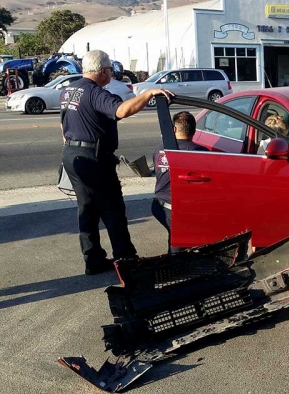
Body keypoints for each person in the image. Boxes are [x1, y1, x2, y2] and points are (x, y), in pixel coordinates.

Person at [60, 49, 173, 275]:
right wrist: (149, 93)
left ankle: (93, 260)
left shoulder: (69, 90)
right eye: (110, 69)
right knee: (112, 208)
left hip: (72, 154)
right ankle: (126, 258)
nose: (112, 73)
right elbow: (121, 110)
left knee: (87, 210)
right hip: (94, 159)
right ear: (102, 71)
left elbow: (63, 124)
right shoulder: (95, 92)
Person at [152, 111, 208, 253]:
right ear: (194, 131)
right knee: (178, 244)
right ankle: (174, 270)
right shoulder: (200, 152)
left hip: (159, 205)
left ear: (174, 129)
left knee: (177, 238)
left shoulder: (160, 148)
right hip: (176, 209)